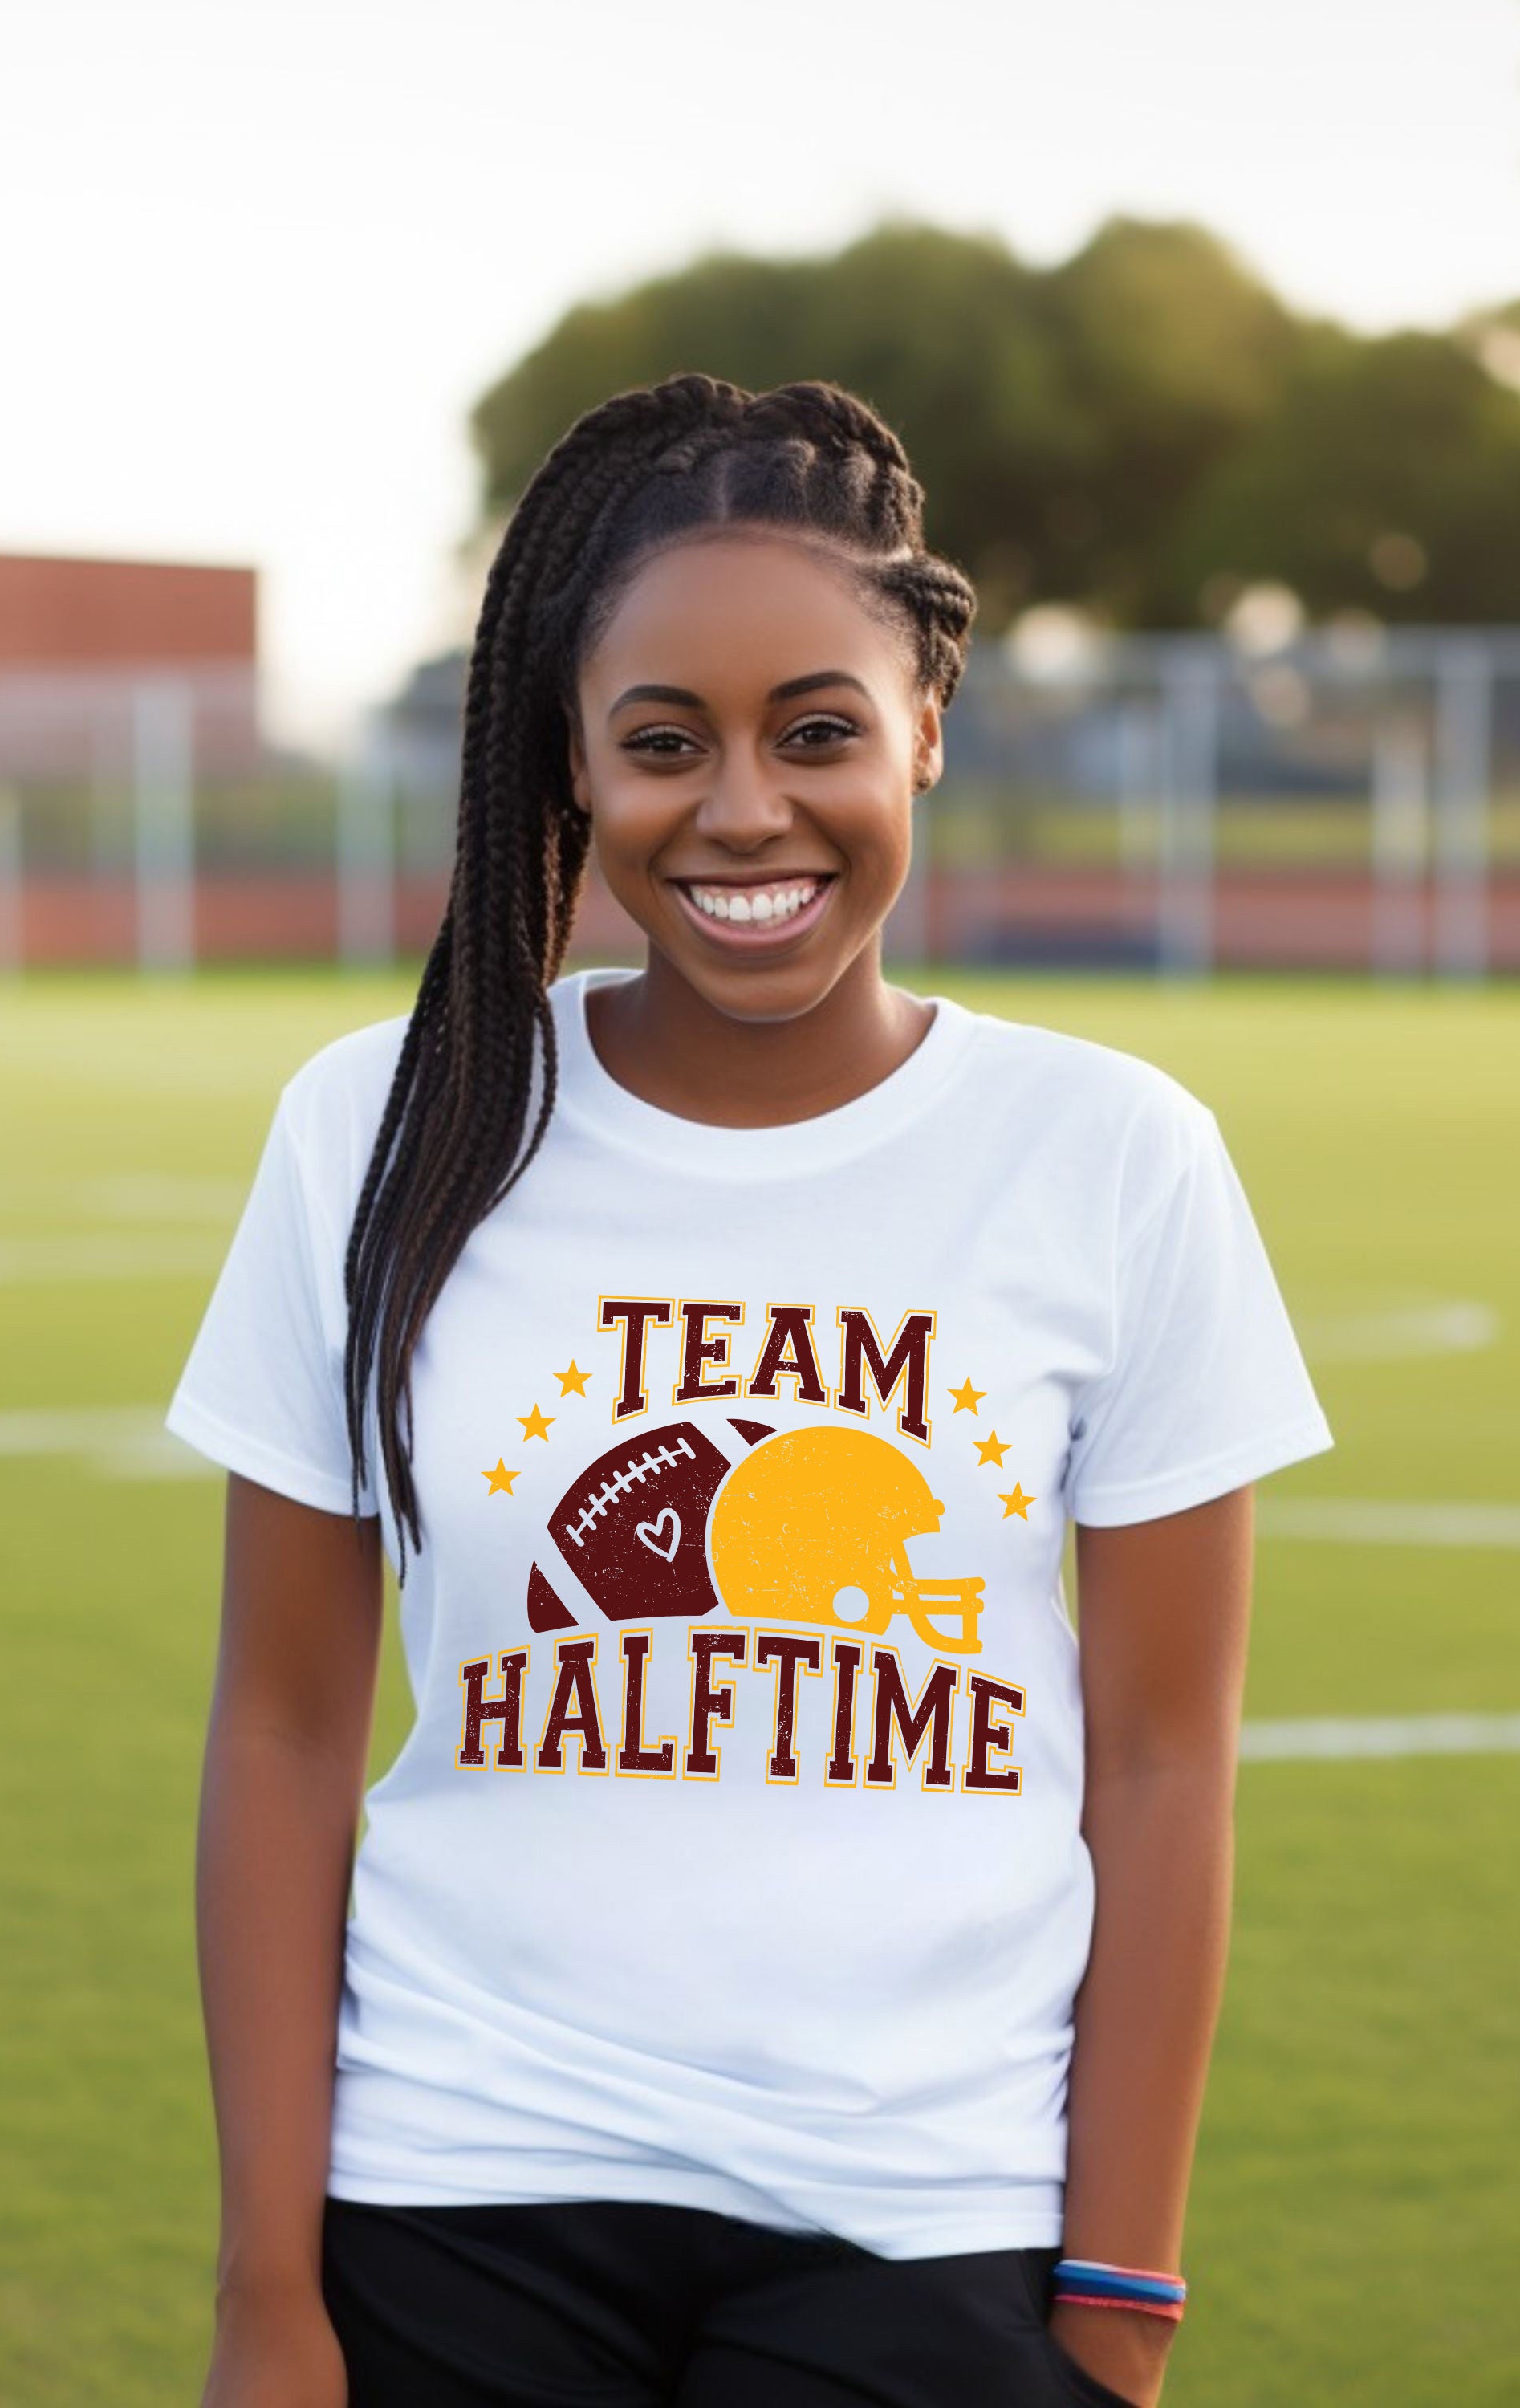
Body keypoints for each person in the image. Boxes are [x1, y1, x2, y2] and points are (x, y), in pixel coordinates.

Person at [166, 373, 1333, 2408]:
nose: (742, 811)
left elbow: (1162, 1764)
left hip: (925, 2214)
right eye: (662, 744)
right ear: (576, 768)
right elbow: (279, 1729)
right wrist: (270, 2291)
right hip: (454, 2191)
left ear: (926, 732)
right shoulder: (385, 1127)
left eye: (818, 731)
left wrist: (1123, 2302)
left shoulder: (1112, 1152)